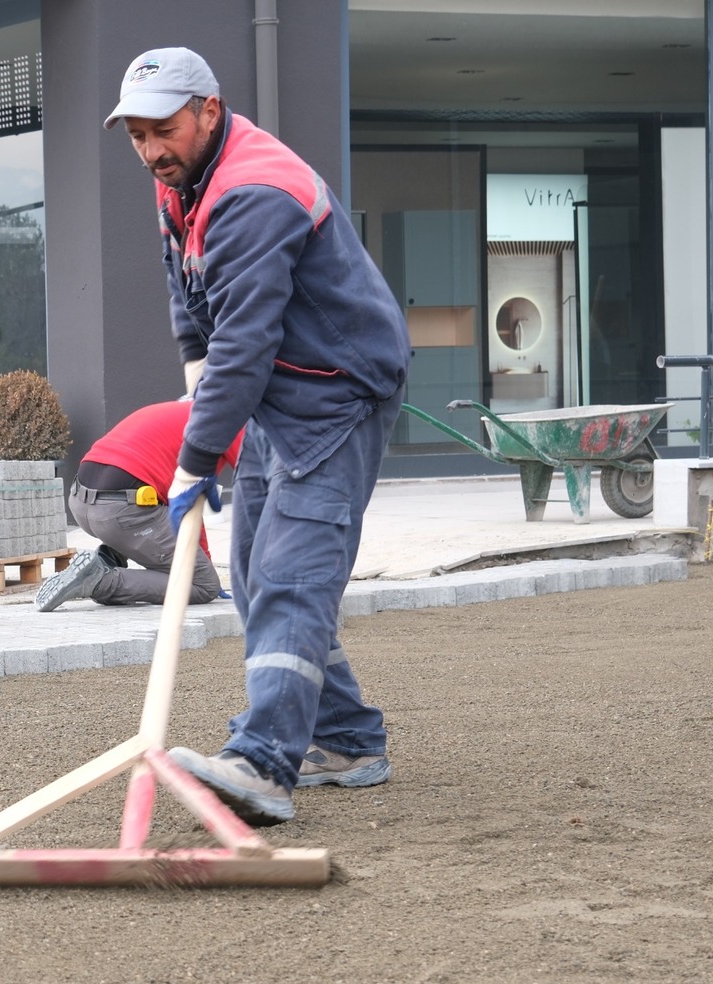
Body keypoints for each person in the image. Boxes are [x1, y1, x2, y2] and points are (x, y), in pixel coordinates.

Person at [108, 47, 410, 823]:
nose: (150, 151)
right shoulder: (181, 178)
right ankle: (345, 737)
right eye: (136, 136)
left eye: (162, 130)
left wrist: (193, 458)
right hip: (283, 389)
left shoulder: (254, 191)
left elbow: (245, 340)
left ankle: (265, 761)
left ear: (210, 110)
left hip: (338, 391)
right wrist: (195, 379)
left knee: (291, 572)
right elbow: (191, 297)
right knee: (252, 567)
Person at [35, 399, 242, 611]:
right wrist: (203, 568)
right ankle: (100, 579)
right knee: (202, 585)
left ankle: (108, 560)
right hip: (122, 512)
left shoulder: (184, 411)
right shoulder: (233, 423)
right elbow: (257, 495)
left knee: (153, 515)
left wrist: (200, 559)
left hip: (80, 500)